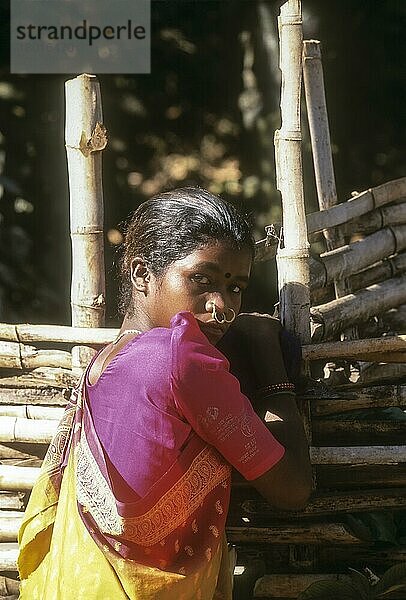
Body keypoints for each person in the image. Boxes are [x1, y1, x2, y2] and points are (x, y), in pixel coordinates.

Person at [18, 187, 312, 599]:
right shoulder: (180, 357)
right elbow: (292, 488)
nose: (223, 305)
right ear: (141, 274)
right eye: (202, 280)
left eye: (236, 287)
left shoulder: (103, 363)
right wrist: (271, 363)